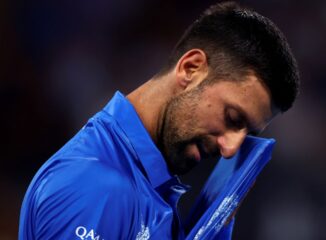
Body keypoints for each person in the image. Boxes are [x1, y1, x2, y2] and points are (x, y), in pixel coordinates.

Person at [19, 1, 299, 239]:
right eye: (232, 117)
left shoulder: (148, 188)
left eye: (247, 133)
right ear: (191, 69)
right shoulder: (97, 188)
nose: (229, 149)